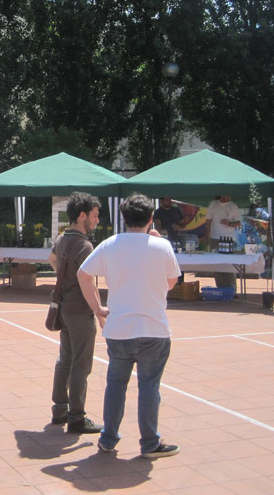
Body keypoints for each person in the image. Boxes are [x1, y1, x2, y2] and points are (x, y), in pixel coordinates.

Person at [77, 193, 181, 459]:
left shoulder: (109, 244)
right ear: (150, 219)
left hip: (119, 329)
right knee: (149, 387)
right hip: (153, 329)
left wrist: (97, 308)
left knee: (116, 385)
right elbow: (171, 282)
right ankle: (149, 443)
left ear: (124, 218)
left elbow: (83, 274)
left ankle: (109, 438)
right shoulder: (162, 247)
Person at [50, 192, 105, 434]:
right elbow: (88, 282)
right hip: (80, 311)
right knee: (81, 366)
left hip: (63, 308)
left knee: (65, 360)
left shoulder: (63, 239)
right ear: (82, 215)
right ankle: (77, 416)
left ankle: (60, 410)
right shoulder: (84, 245)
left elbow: (52, 259)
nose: (97, 220)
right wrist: (99, 310)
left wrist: (64, 279)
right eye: (94, 215)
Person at [204, 194, 242, 288]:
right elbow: (208, 220)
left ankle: (232, 288)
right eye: (226, 195)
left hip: (229, 239)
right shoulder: (213, 204)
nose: (228, 197)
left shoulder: (233, 206)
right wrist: (207, 235)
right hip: (215, 237)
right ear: (221, 195)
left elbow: (238, 223)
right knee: (217, 265)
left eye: (229, 196)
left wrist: (229, 223)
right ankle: (220, 288)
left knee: (229, 264)